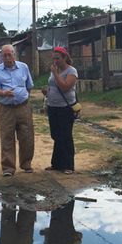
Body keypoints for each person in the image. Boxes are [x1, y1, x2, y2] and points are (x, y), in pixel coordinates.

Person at [0, 45, 34, 177]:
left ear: (14, 54)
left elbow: (29, 86)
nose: (7, 57)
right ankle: (8, 168)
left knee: (27, 137)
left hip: (23, 107)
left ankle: (26, 164)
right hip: (6, 110)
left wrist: (23, 98)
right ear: (1, 57)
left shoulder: (24, 67)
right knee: (7, 137)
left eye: (10, 54)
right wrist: (4, 93)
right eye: (5, 55)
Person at [42, 46, 79, 174]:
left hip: (65, 108)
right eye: (54, 59)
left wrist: (56, 74)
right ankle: (56, 164)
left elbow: (65, 87)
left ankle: (68, 165)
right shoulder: (55, 70)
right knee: (56, 135)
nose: (55, 61)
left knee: (66, 136)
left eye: (57, 58)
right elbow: (53, 85)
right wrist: (47, 92)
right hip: (53, 107)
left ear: (64, 58)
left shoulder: (71, 71)